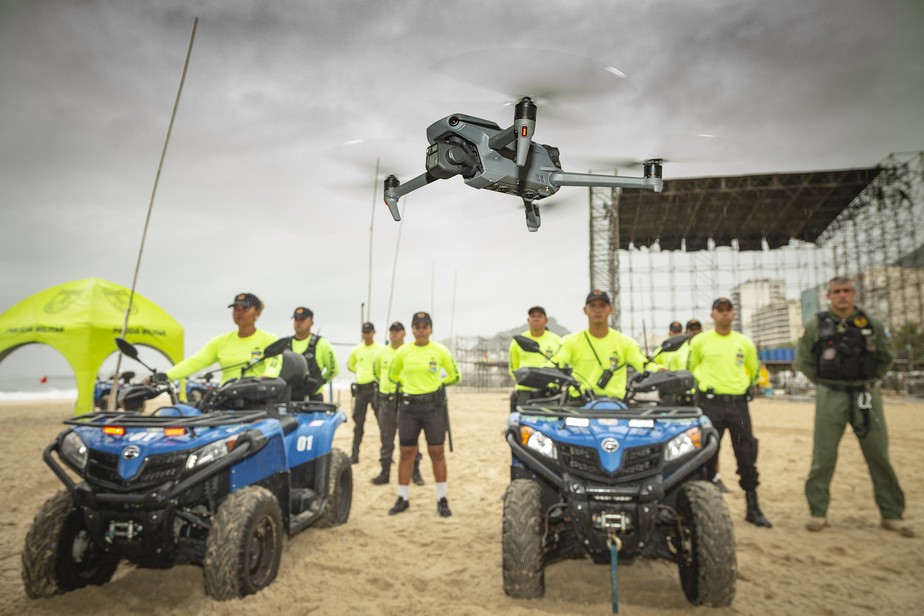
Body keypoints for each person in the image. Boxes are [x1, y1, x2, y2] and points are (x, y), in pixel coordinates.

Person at [796, 276, 912, 537]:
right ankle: (818, 511)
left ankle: (892, 513)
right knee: (823, 456)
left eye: (847, 291)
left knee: (878, 454)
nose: (842, 296)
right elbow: (803, 360)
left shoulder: (871, 323)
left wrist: (868, 381)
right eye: (837, 291)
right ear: (829, 296)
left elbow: (886, 357)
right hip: (831, 395)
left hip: (866, 394)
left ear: (855, 294)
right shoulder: (816, 324)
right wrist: (826, 384)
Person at [688, 297, 771, 528]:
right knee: (705, 456)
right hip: (710, 405)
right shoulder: (700, 342)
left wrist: (744, 387)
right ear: (712, 314)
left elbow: (754, 371)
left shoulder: (744, 343)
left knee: (746, 455)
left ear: (733, 314)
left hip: (737, 407)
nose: (724, 314)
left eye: (728, 310)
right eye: (720, 310)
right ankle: (703, 512)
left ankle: (752, 507)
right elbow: (690, 368)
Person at [387, 311, 461, 517]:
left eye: (424, 326)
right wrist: (406, 385)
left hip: (433, 408)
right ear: (411, 330)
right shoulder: (402, 352)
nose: (421, 330)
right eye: (417, 326)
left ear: (430, 329)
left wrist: (439, 384)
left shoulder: (440, 351)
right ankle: (403, 497)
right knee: (406, 453)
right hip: (408, 408)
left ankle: (442, 498)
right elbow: (393, 375)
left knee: (437, 452)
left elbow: (455, 376)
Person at [552, 290, 660, 399]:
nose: (597, 310)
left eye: (602, 306)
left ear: (610, 309)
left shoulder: (626, 342)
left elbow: (644, 365)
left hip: (615, 405)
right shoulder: (570, 341)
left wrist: (662, 372)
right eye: (593, 306)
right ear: (585, 310)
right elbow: (554, 363)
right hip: (580, 403)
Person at [164, 292, 281, 384]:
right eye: (236, 309)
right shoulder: (219, 342)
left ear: (257, 312)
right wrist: (165, 376)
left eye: (244, 309)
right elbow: (193, 363)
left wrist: (265, 378)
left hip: (257, 403)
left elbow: (273, 367)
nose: (239, 313)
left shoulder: (270, 340)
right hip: (225, 400)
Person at [371, 321, 425, 486]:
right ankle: (385, 472)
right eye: (392, 331)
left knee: (410, 438)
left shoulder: (410, 352)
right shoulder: (381, 354)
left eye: (398, 331)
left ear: (404, 333)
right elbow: (377, 373)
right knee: (386, 438)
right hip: (386, 401)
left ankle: (415, 472)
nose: (394, 334)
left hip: (406, 400)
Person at [508, 305, 562, 409]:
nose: (536, 318)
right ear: (528, 320)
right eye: (533, 316)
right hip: (525, 393)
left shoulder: (557, 341)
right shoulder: (519, 341)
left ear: (546, 320)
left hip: (549, 394)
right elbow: (513, 367)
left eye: (540, 316)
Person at [347, 322, 385, 464]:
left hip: (376, 388)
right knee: (358, 424)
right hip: (361, 389)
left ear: (374, 332)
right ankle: (355, 454)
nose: (367, 335)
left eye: (369, 332)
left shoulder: (381, 348)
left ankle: (386, 454)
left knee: (382, 422)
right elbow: (350, 365)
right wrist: (361, 372)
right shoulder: (356, 350)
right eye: (364, 332)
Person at [286, 306, 338, 402]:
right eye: (296, 319)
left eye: (302, 319)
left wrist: (320, 382)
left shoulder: (322, 343)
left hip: (313, 399)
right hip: (290, 398)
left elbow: (333, 370)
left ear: (311, 322)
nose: (298, 322)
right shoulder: (285, 344)